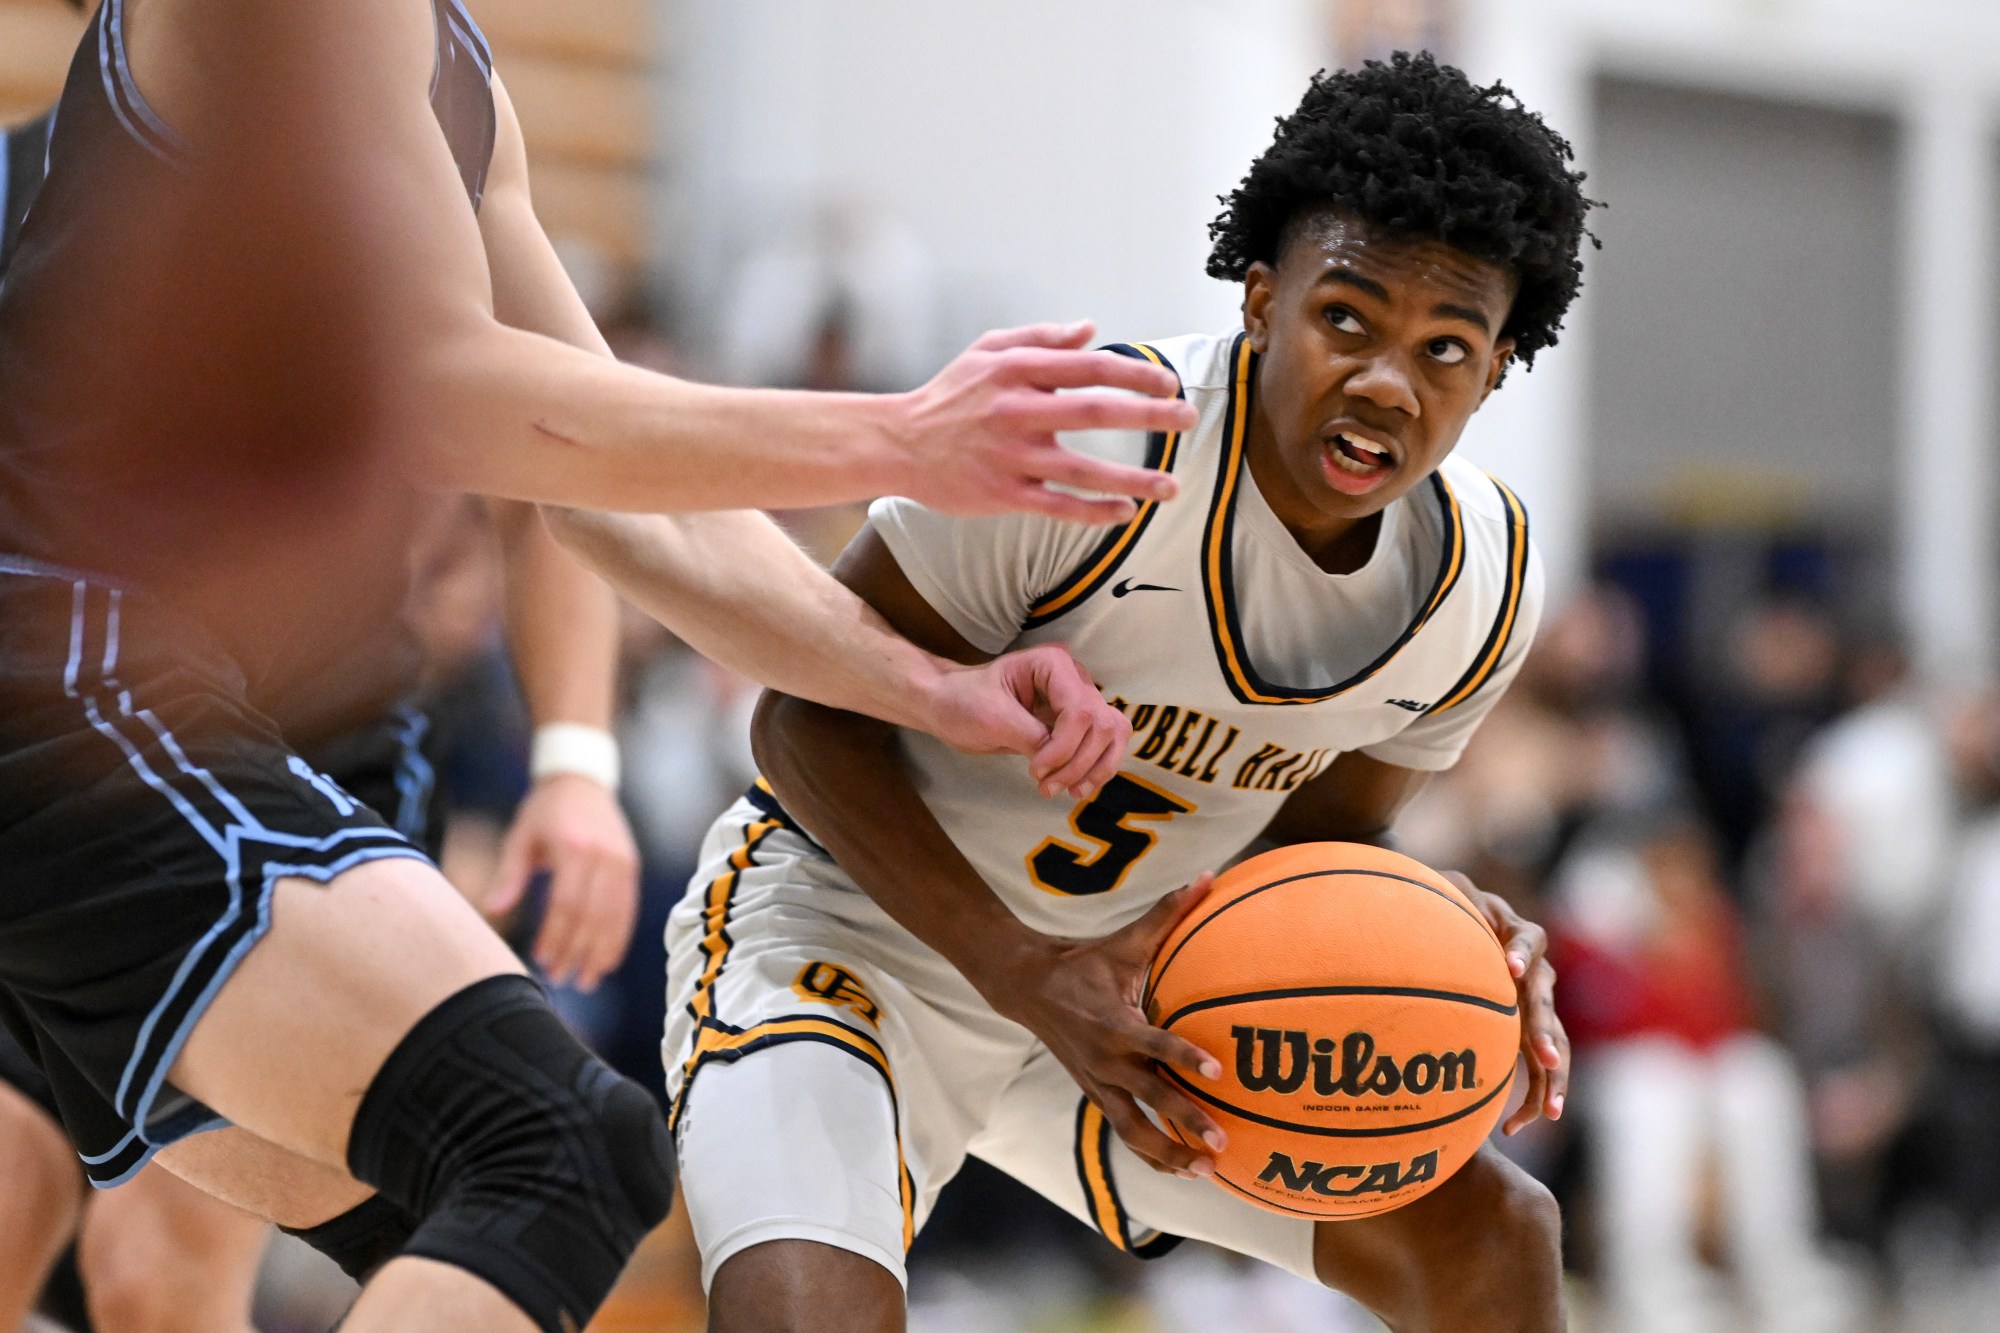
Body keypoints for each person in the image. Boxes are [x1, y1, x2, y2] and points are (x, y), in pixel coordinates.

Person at [0, 3, 1185, 1332]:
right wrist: (896, 437)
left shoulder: (454, 72)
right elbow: (453, 393)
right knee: (548, 1152)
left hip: (153, 701)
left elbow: (608, 490)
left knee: (427, 1210)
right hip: (77, 674)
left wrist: (924, 683)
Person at [655, 52, 1588, 1333]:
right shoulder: (1095, 440)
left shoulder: (1483, 584)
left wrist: (1440, 938)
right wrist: (1023, 972)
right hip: (856, 931)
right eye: (1347, 318)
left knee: (1491, 1235)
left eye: (1444, 349)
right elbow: (802, 716)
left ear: (1491, 374)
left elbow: (1320, 853)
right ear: (1262, 300)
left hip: (1136, 995)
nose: (1387, 381)